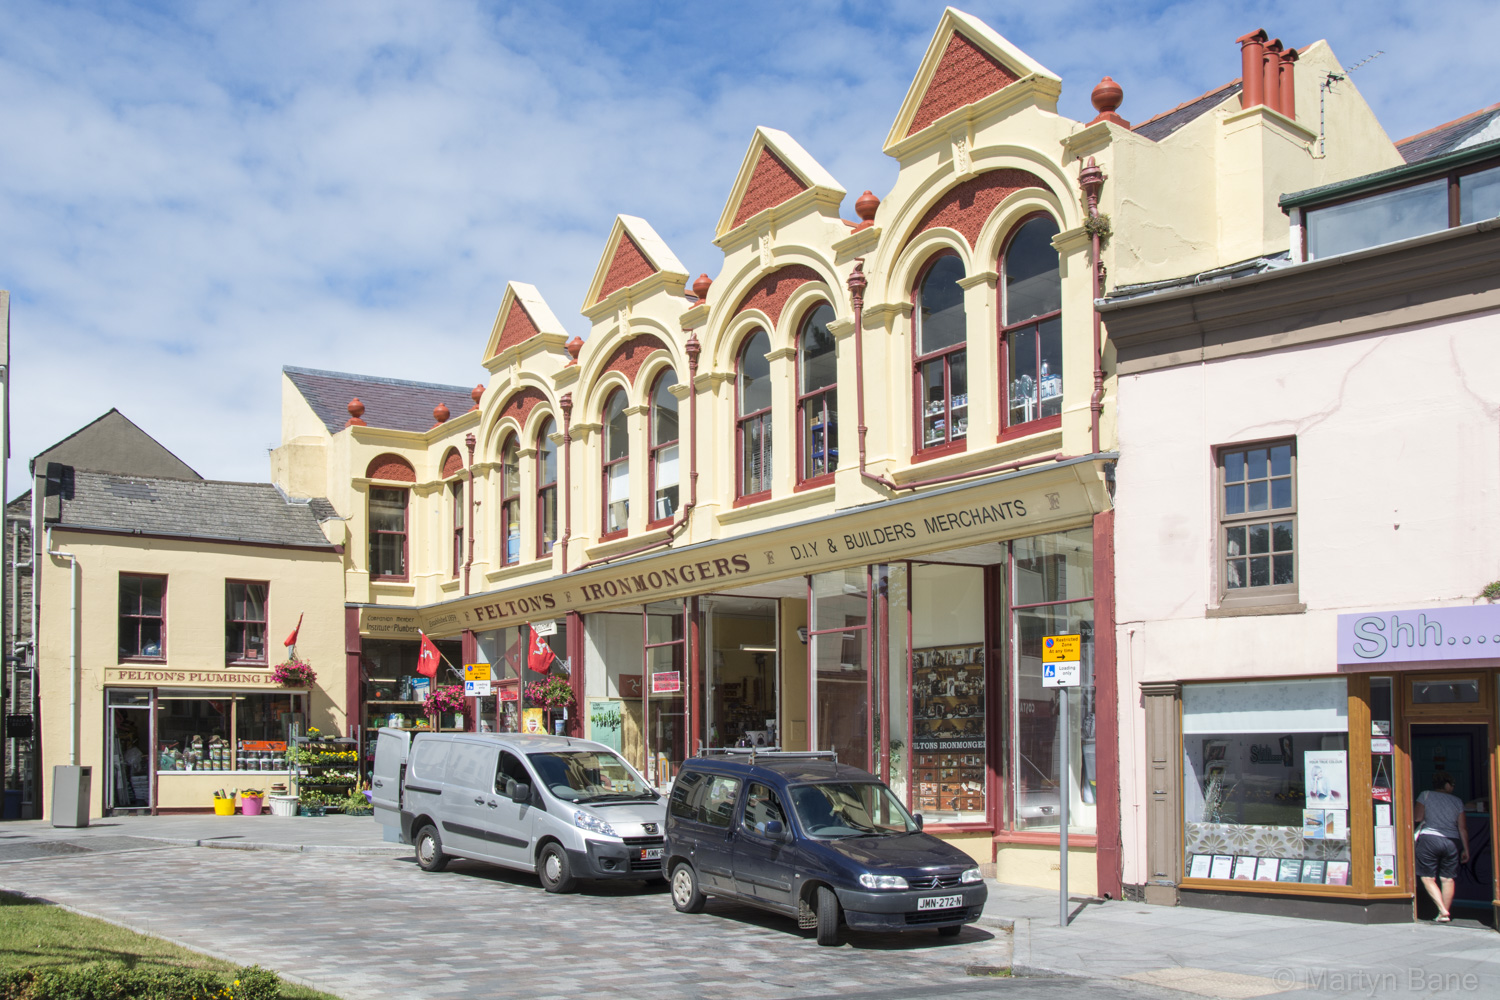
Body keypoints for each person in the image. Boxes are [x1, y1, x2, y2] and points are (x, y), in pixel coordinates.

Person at [1414, 771, 1470, 923]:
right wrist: (1466, 849)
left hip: (1429, 839)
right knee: (1448, 878)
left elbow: (1417, 817)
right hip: (1452, 841)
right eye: (1452, 785)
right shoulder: (1457, 801)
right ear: (1446, 785)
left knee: (1427, 877)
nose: (1453, 787)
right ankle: (1443, 913)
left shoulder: (1425, 795)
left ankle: (1442, 910)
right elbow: (1462, 828)